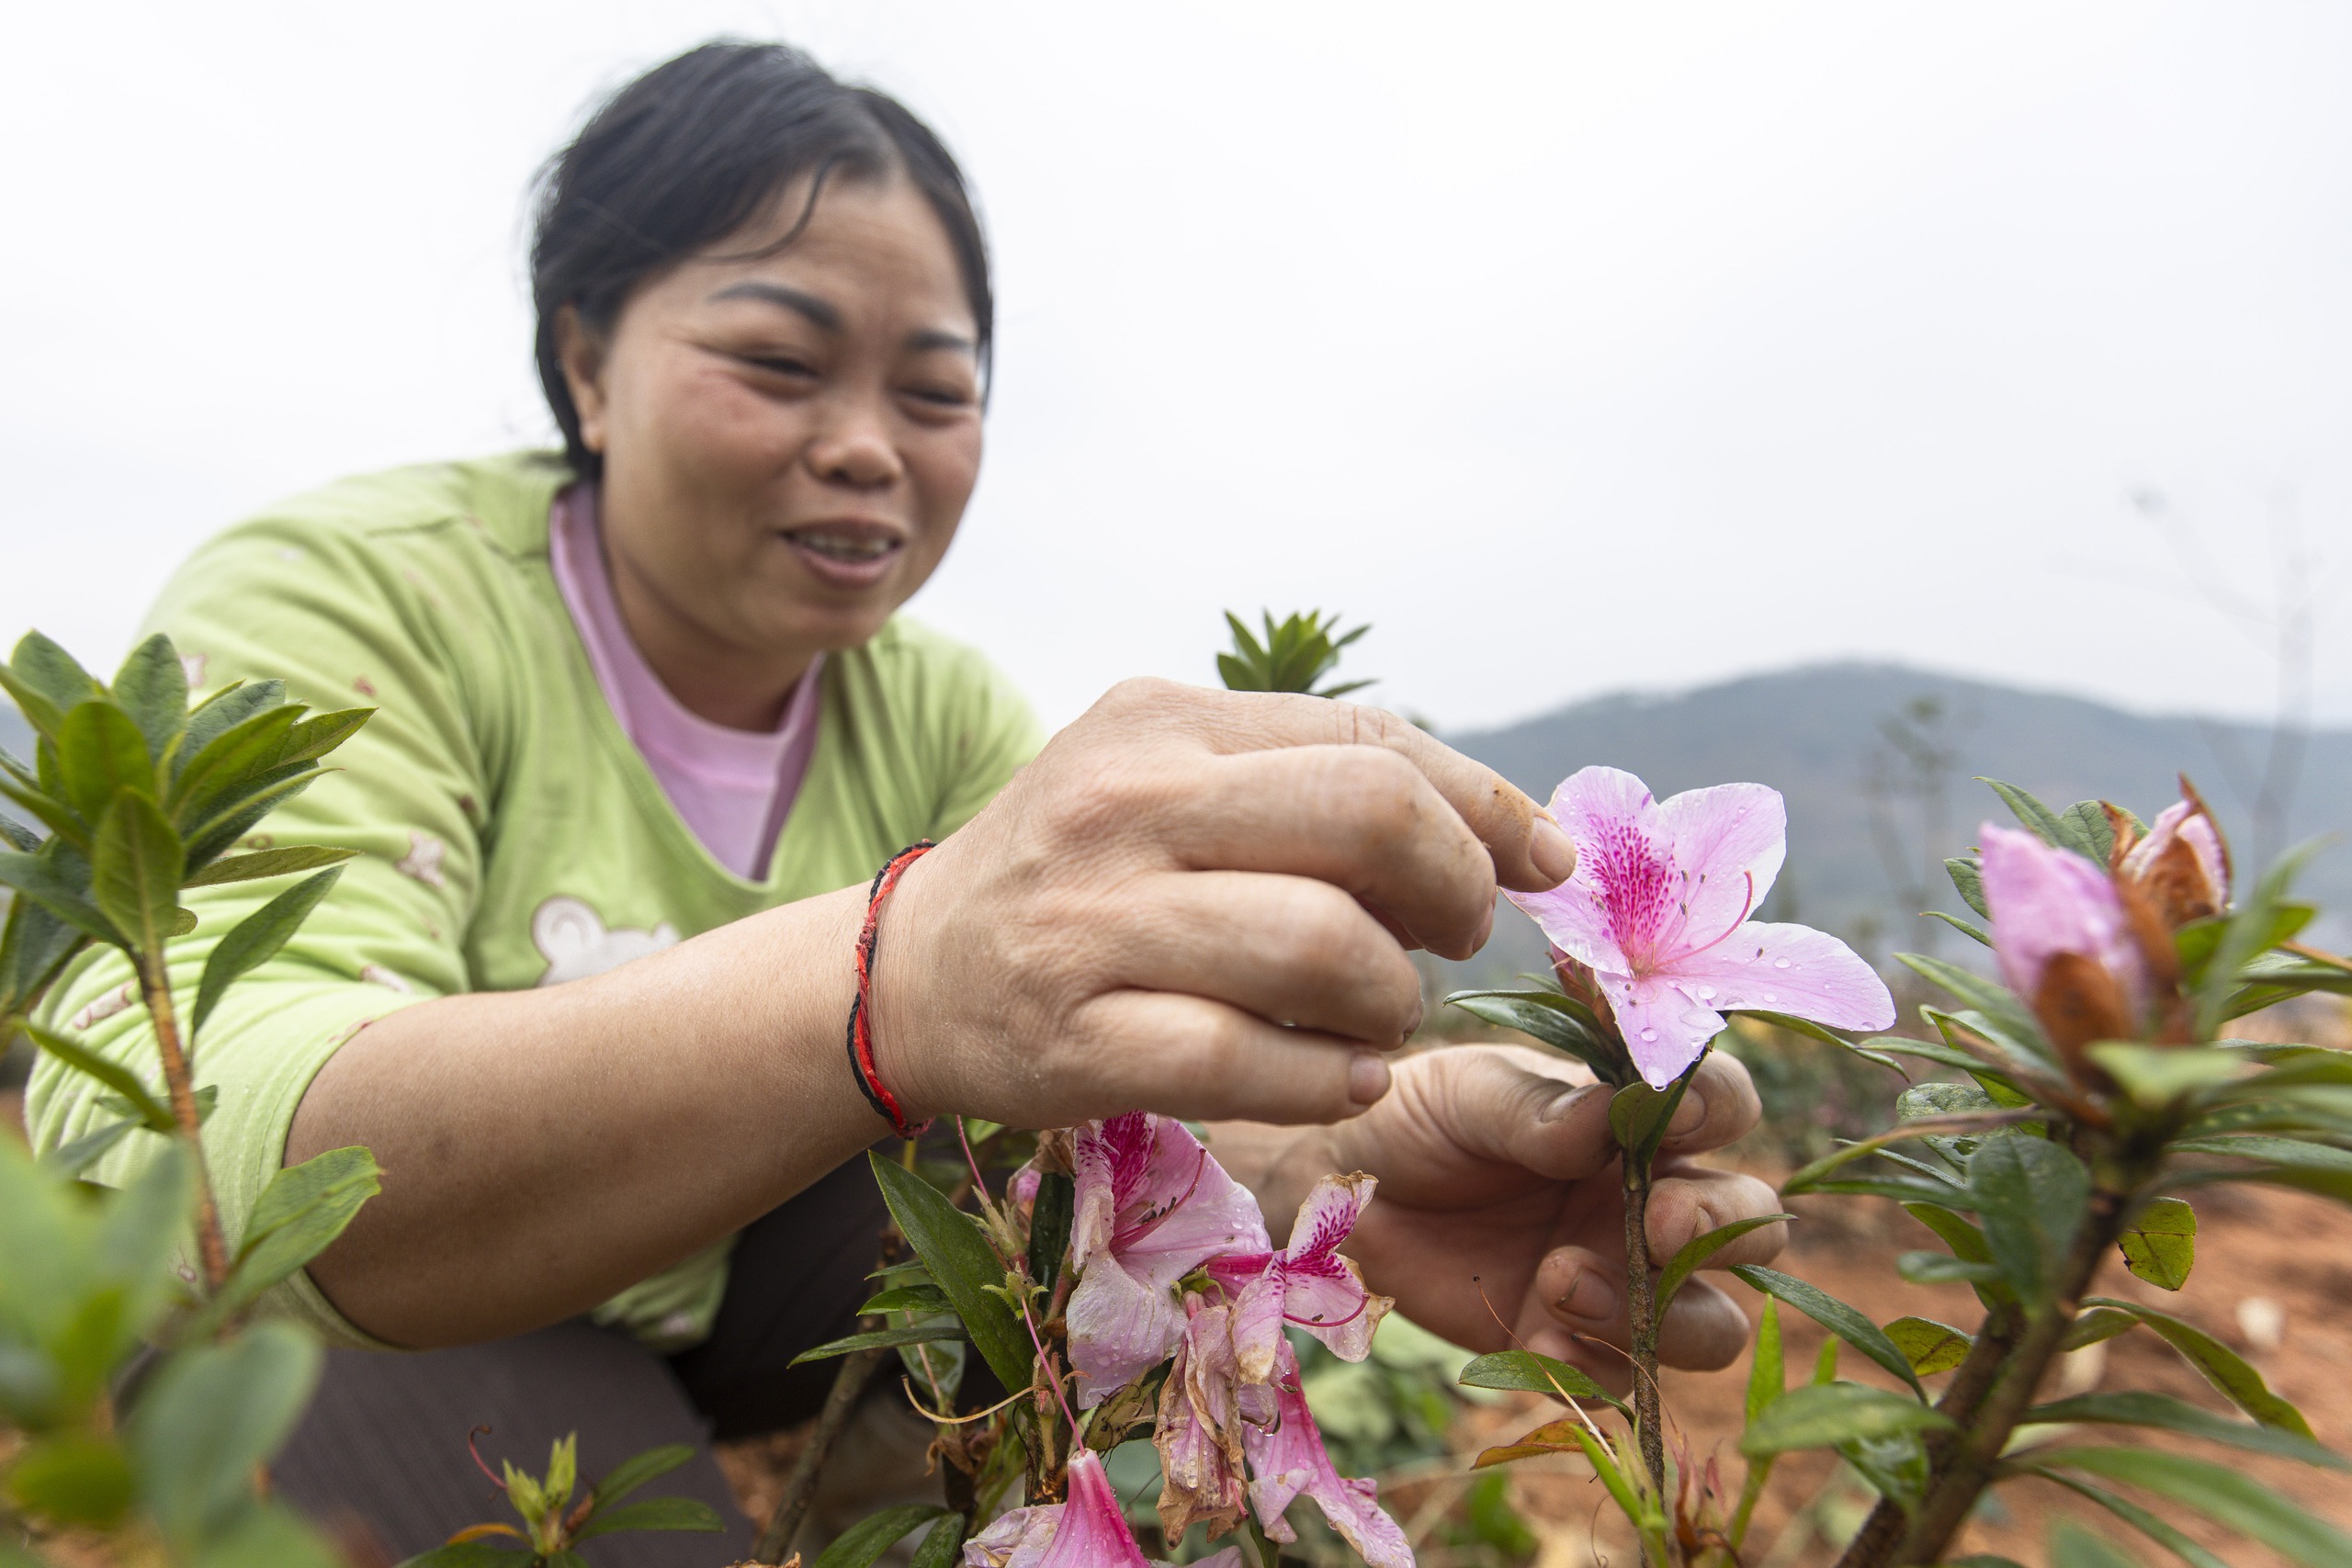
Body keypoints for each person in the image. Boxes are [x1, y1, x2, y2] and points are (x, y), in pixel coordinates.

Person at [26, 40, 1788, 1562]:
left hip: (719, 1287)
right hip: (347, 1314)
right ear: (583, 363)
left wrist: (1355, 1154)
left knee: (1007, 1164)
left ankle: (926, 1492)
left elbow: (1068, 1086)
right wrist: (896, 975)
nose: (870, 442)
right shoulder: (350, 604)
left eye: (935, 391)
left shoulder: (932, 700)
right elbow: (208, 1154)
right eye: (782, 365)